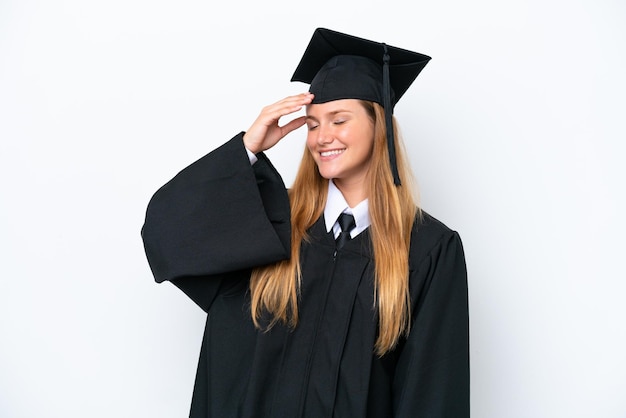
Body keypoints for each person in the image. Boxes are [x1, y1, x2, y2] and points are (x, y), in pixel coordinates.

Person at [141, 27, 469, 418]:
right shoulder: (270, 225)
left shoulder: (428, 249)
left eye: (338, 120)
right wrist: (246, 149)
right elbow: (168, 238)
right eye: (313, 124)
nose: (321, 137)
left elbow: (432, 394)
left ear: (378, 125)